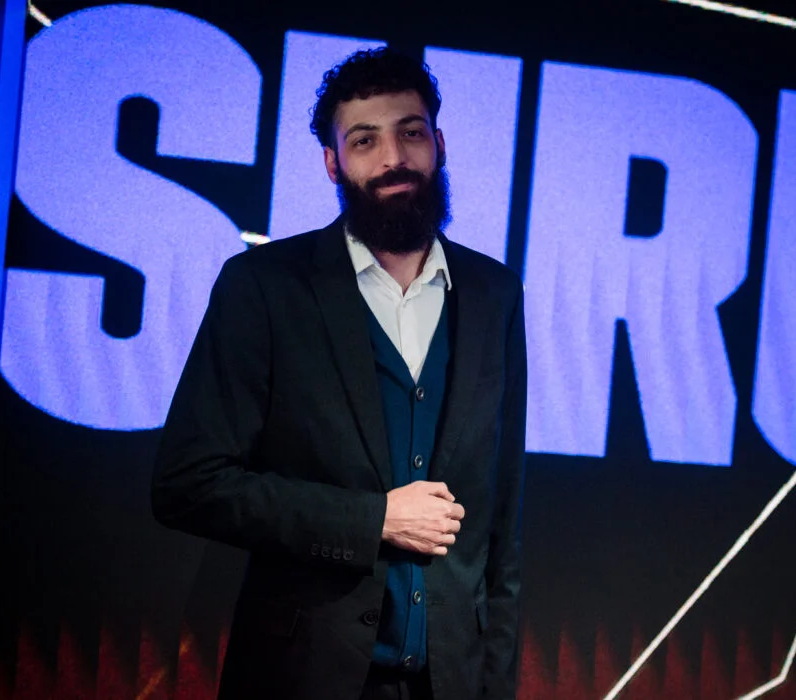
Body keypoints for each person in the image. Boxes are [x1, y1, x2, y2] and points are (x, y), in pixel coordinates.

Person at [151, 48, 527, 700]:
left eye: (411, 132)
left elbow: (503, 521)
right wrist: (372, 519)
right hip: (301, 678)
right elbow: (189, 484)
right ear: (332, 162)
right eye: (364, 140)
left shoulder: (495, 293)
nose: (393, 158)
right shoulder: (265, 287)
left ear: (439, 143)